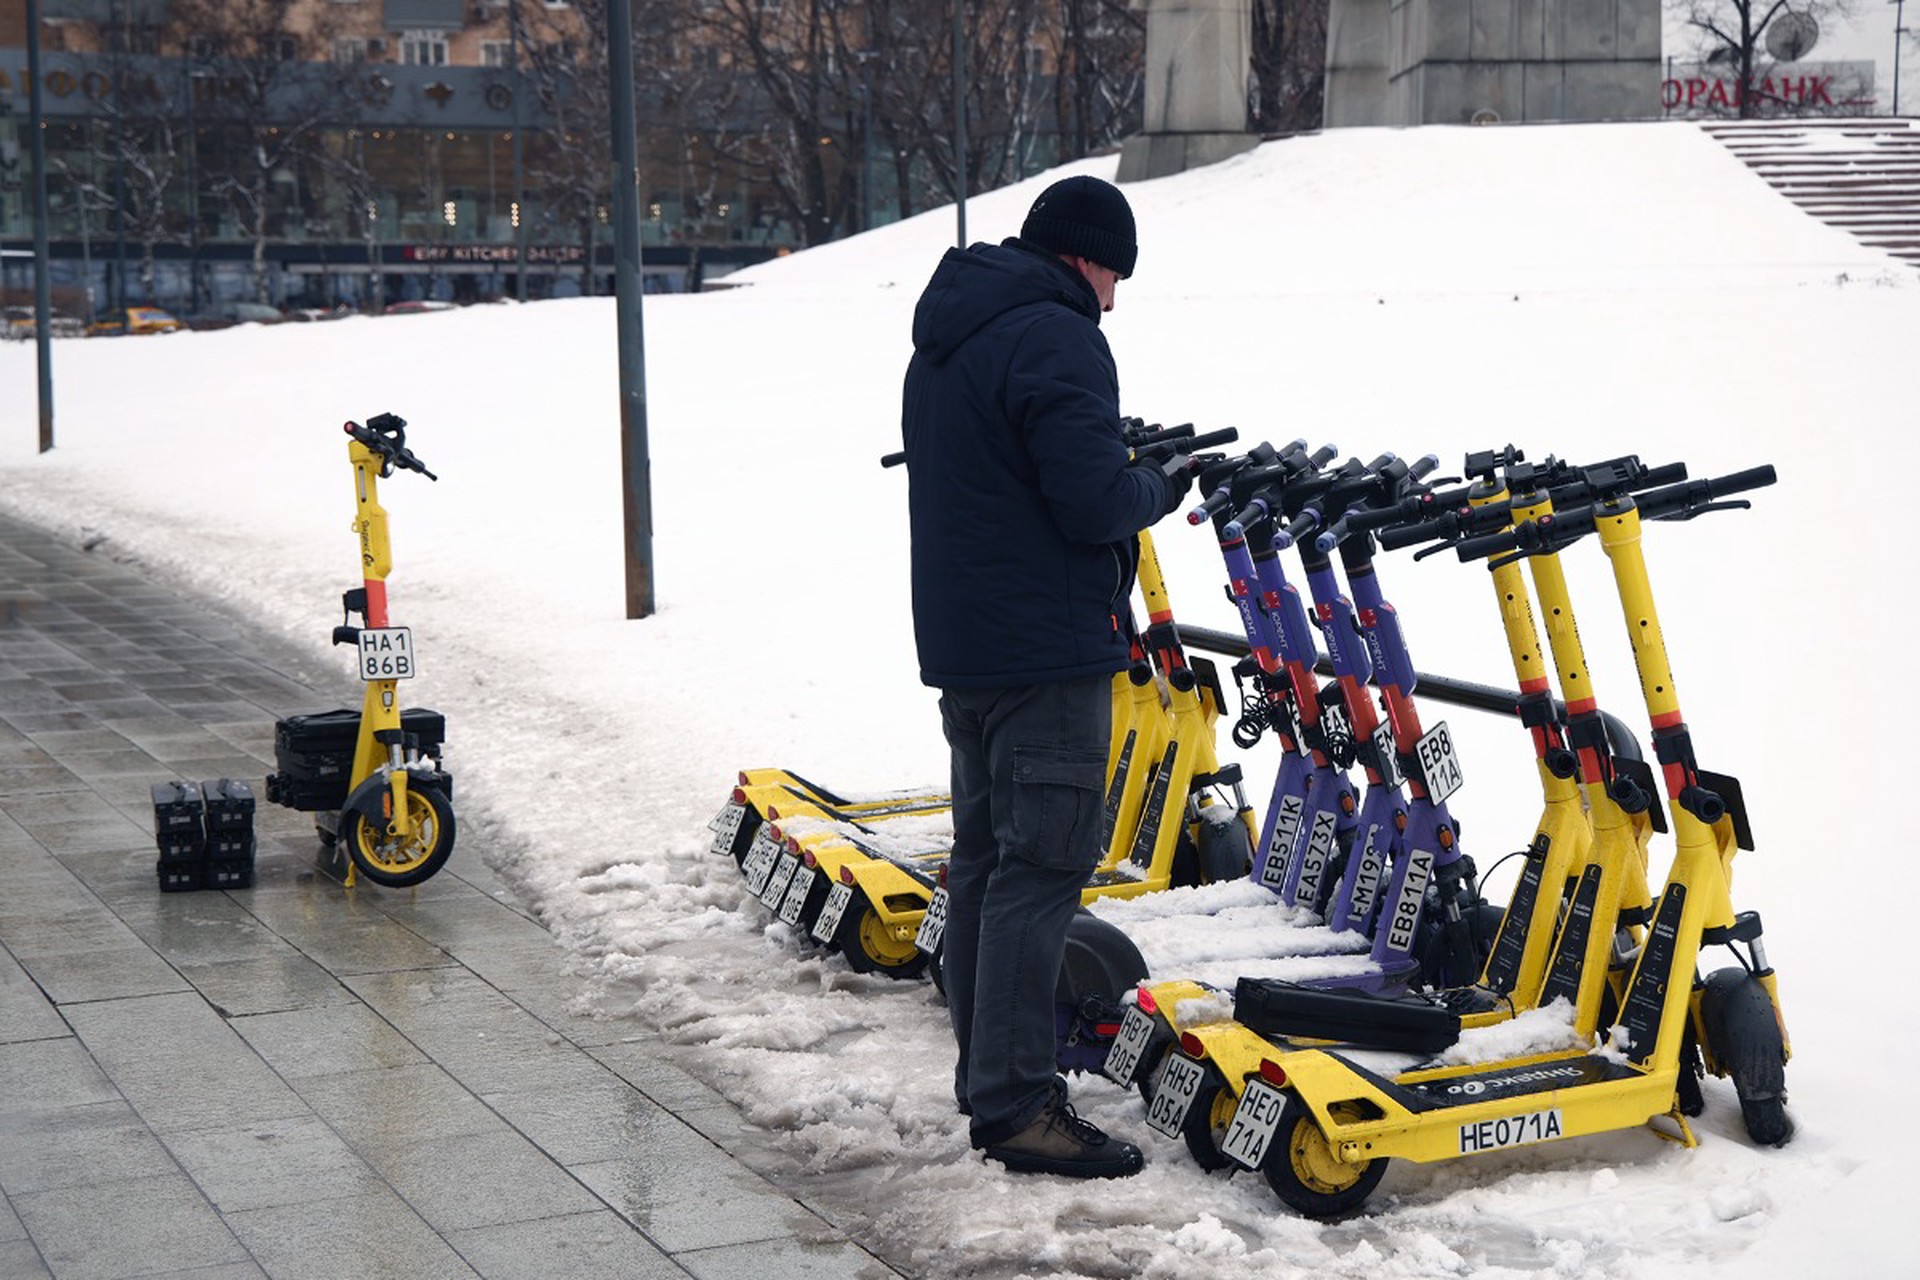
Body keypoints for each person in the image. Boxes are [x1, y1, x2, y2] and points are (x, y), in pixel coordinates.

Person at [899, 174, 1192, 1179]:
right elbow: (1089, 501)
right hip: (1047, 651)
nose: (1115, 296)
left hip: (970, 647)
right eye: (1114, 272)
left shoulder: (948, 334)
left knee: (986, 863)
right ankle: (1021, 1102)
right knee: (1042, 872)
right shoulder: (1058, 334)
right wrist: (1156, 481)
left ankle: (992, 1078)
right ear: (1083, 254)